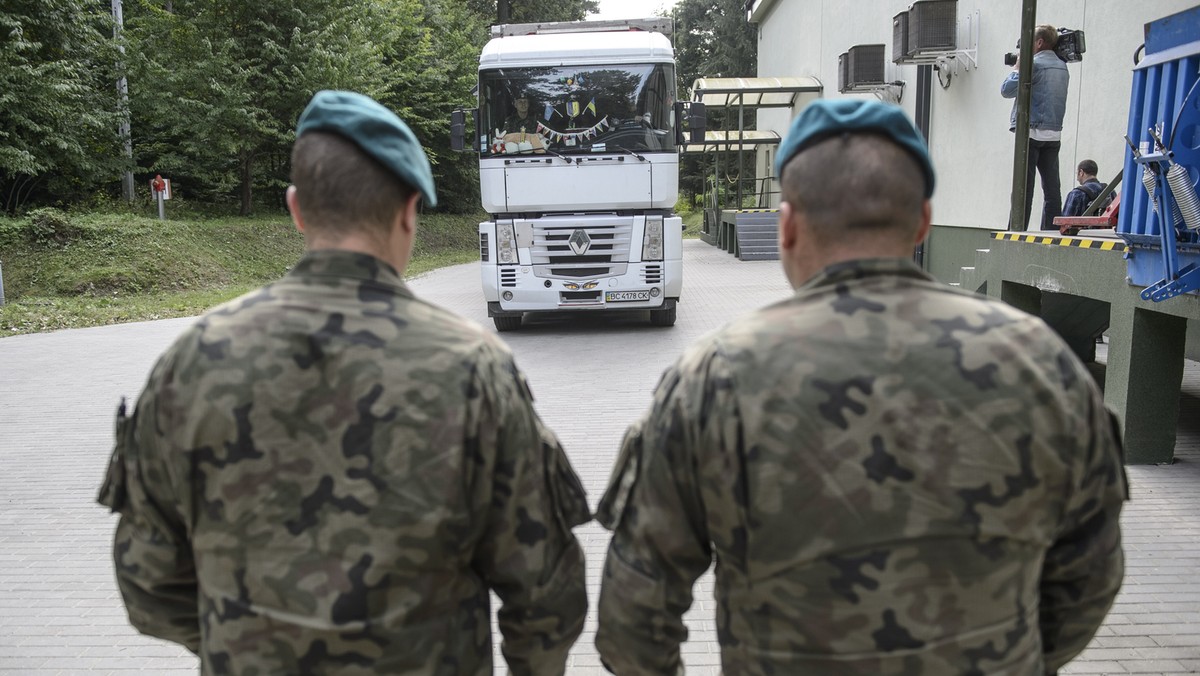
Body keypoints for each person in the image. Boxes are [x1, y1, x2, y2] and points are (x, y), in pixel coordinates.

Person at [594, 98, 1126, 675]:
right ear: (921, 221)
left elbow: (634, 617)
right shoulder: (1040, 361)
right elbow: (1091, 571)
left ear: (788, 226)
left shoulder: (715, 377)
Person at [98, 90, 590, 675]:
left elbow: (147, 579)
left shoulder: (193, 360)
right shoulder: (475, 367)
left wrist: (243, 647)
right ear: (409, 209)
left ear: (297, 209)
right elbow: (545, 590)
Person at [1001, 24, 1070, 230]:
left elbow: (1006, 90)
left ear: (1039, 42)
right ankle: (1051, 232)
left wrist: (1017, 67)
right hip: (1054, 134)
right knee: (1052, 189)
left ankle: (1016, 230)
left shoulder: (1034, 64)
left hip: (1031, 132)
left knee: (1024, 188)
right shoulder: (1062, 66)